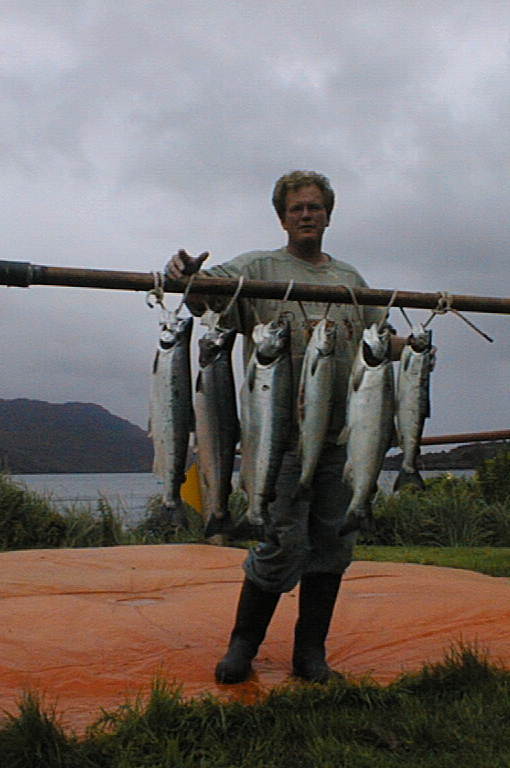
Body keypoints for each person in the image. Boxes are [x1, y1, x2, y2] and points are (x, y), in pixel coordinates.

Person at [165, 170, 389, 684]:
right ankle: (242, 647)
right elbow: (202, 298)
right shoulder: (256, 268)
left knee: (333, 547)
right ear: (282, 218)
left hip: (342, 439)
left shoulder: (352, 280)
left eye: (314, 207)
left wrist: (416, 350)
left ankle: (311, 654)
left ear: (328, 214)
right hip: (277, 442)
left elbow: (380, 338)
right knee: (280, 542)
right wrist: (184, 275)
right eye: (296, 209)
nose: (306, 215)